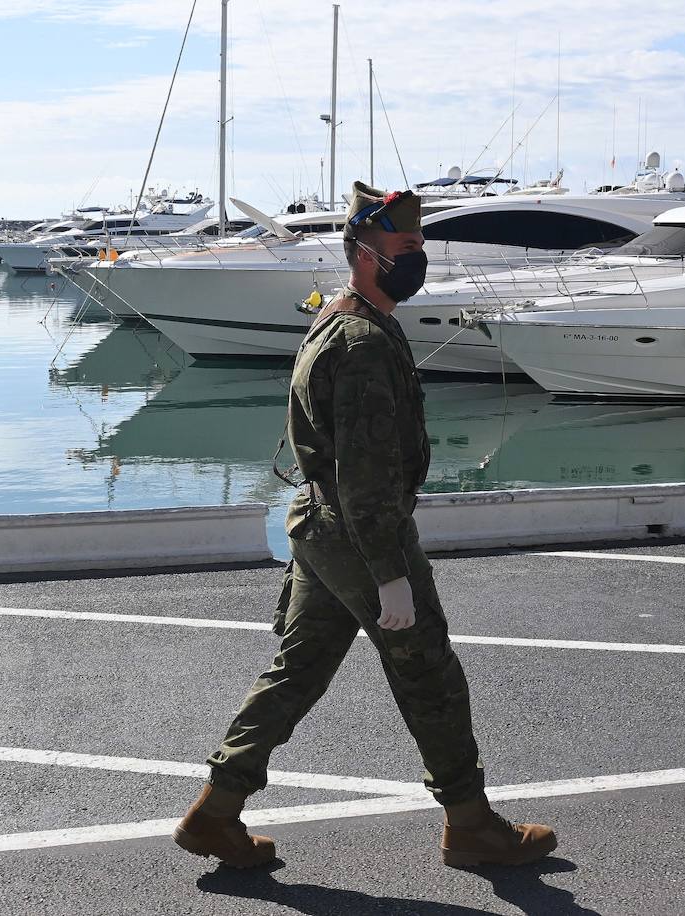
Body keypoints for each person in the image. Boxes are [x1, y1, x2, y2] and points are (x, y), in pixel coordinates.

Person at [173, 181, 556, 869]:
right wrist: (391, 578)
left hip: (323, 528)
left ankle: (216, 811)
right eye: (404, 248)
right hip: (358, 532)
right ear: (365, 255)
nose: (418, 258)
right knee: (429, 672)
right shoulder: (361, 342)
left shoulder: (346, 319)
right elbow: (368, 477)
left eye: (419, 247)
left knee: (299, 670)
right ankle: (470, 825)